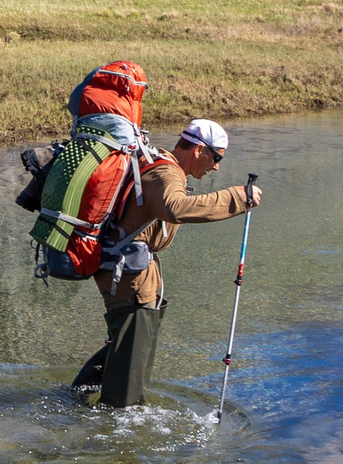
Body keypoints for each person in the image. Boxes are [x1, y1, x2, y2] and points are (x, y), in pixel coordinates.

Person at [73, 118, 259, 409]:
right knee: (132, 359)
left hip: (125, 271)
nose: (216, 166)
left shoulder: (157, 162)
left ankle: (76, 395)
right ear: (199, 150)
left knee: (127, 343)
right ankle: (118, 422)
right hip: (129, 277)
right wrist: (238, 198)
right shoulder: (166, 173)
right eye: (217, 157)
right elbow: (175, 208)